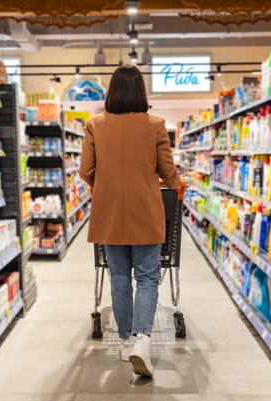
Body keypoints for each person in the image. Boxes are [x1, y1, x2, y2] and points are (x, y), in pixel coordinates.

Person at [79, 63, 181, 377]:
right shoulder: (156, 124)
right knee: (148, 278)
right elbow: (168, 173)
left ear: (112, 92)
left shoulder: (95, 124)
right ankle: (142, 339)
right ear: (141, 92)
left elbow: (85, 170)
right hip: (146, 212)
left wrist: (105, 182)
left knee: (119, 278)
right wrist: (175, 185)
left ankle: (125, 340)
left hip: (108, 212)